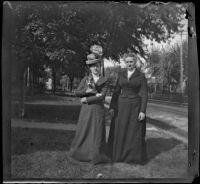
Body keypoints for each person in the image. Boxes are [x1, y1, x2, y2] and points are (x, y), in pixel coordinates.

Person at [69, 53, 110, 164]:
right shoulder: (86, 79)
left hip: (97, 110)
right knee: (84, 131)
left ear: (100, 66)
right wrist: (86, 92)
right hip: (86, 111)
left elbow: (102, 96)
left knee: (96, 133)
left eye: (97, 65)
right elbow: (77, 93)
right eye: (93, 66)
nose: (95, 68)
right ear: (90, 67)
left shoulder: (104, 80)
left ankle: (96, 155)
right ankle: (81, 153)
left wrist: (87, 99)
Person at [107, 53, 148, 164]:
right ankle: (118, 155)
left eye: (131, 61)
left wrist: (142, 111)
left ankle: (132, 157)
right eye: (127, 62)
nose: (129, 64)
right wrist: (112, 107)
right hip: (121, 106)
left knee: (133, 131)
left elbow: (144, 94)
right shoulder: (121, 74)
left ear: (135, 62)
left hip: (135, 106)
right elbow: (116, 92)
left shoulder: (141, 76)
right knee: (120, 129)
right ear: (125, 63)